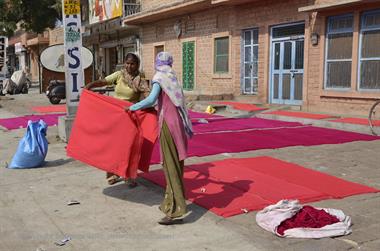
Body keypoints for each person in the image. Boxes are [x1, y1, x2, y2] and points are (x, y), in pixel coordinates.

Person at [128, 51, 193, 225]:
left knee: (170, 166)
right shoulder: (172, 76)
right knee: (176, 165)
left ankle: (175, 210)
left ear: (158, 62)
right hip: (178, 124)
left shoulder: (159, 77)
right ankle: (169, 203)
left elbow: (150, 100)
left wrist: (133, 107)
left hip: (168, 125)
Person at [84, 53, 151, 187]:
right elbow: (104, 81)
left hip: (130, 116)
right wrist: (89, 86)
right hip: (115, 115)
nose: (129, 66)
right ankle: (112, 174)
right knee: (113, 146)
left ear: (137, 65)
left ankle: (128, 176)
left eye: (132, 63)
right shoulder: (119, 75)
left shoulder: (140, 80)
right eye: (127, 63)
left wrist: (150, 101)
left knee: (129, 147)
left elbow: (147, 95)